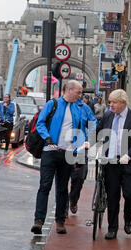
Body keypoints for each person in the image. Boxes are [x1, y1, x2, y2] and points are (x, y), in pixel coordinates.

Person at [31, 80, 86, 235]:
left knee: (62, 189)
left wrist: (79, 156)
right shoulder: (52, 104)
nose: (80, 95)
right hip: (49, 151)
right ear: (69, 89)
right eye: (78, 92)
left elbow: (81, 133)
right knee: (45, 186)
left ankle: (60, 221)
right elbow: (40, 123)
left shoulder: (77, 109)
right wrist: (47, 138)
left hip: (67, 154)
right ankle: (38, 221)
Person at [96, 89, 131, 239]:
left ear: (123, 103)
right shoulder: (107, 116)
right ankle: (112, 228)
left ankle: (128, 216)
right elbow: (99, 132)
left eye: (114, 102)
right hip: (111, 163)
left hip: (129, 164)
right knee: (112, 197)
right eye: (109, 102)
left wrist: (129, 155)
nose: (110, 105)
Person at [65, 98, 98, 217]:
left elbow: (93, 123)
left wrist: (89, 140)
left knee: (79, 178)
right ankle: (63, 209)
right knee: (62, 180)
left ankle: (73, 199)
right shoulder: (61, 106)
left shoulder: (84, 108)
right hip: (63, 148)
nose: (79, 95)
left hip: (80, 148)